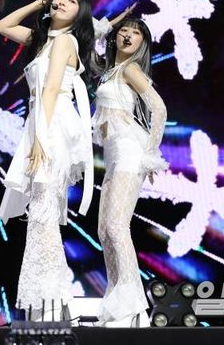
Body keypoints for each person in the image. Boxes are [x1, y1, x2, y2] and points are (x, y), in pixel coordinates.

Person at [0, 0, 95, 319]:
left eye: (70, 1)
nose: (62, 1)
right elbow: (3, 26)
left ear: (80, 14)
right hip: (40, 120)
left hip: (51, 123)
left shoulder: (66, 40)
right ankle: (50, 304)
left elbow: (51, 89)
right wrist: (41, 1)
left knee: (43, 212)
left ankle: (52, 305)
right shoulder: (44, 41)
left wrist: (41, 136)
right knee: (41, 215)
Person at [90, 16, 168, 327]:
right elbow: (90, 40)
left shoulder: (131, 69)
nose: (128, 35)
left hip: (129, 151)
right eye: (124, 30)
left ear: (142, 43)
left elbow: (159, 108)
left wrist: (150, 153)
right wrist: (105, 28)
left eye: (136, 33)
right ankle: (117, 302)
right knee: (104, 230)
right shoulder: (111, 69)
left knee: (116, 226)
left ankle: (133, 305)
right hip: (113, 155)